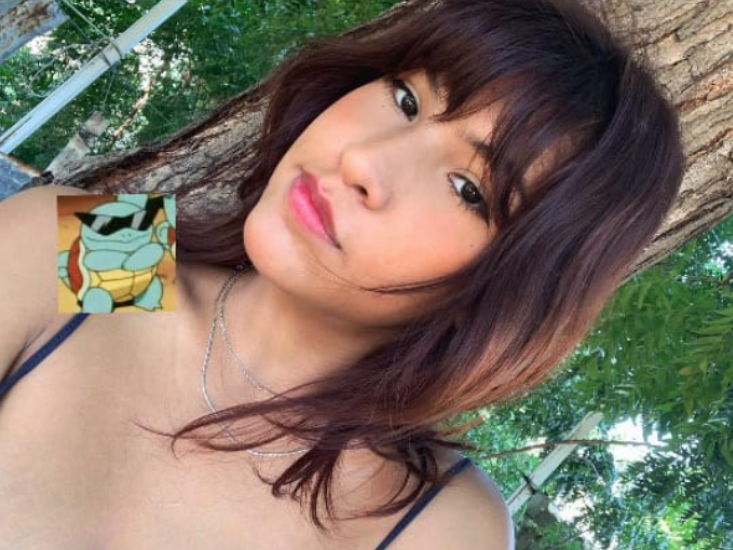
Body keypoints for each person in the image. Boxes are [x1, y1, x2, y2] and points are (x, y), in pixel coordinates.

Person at [0, 0, 684, 548]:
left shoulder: (431, 523)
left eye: (466, 189)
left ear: (514, 286)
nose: (364, 161)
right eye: (406, 99)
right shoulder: (114, 252)